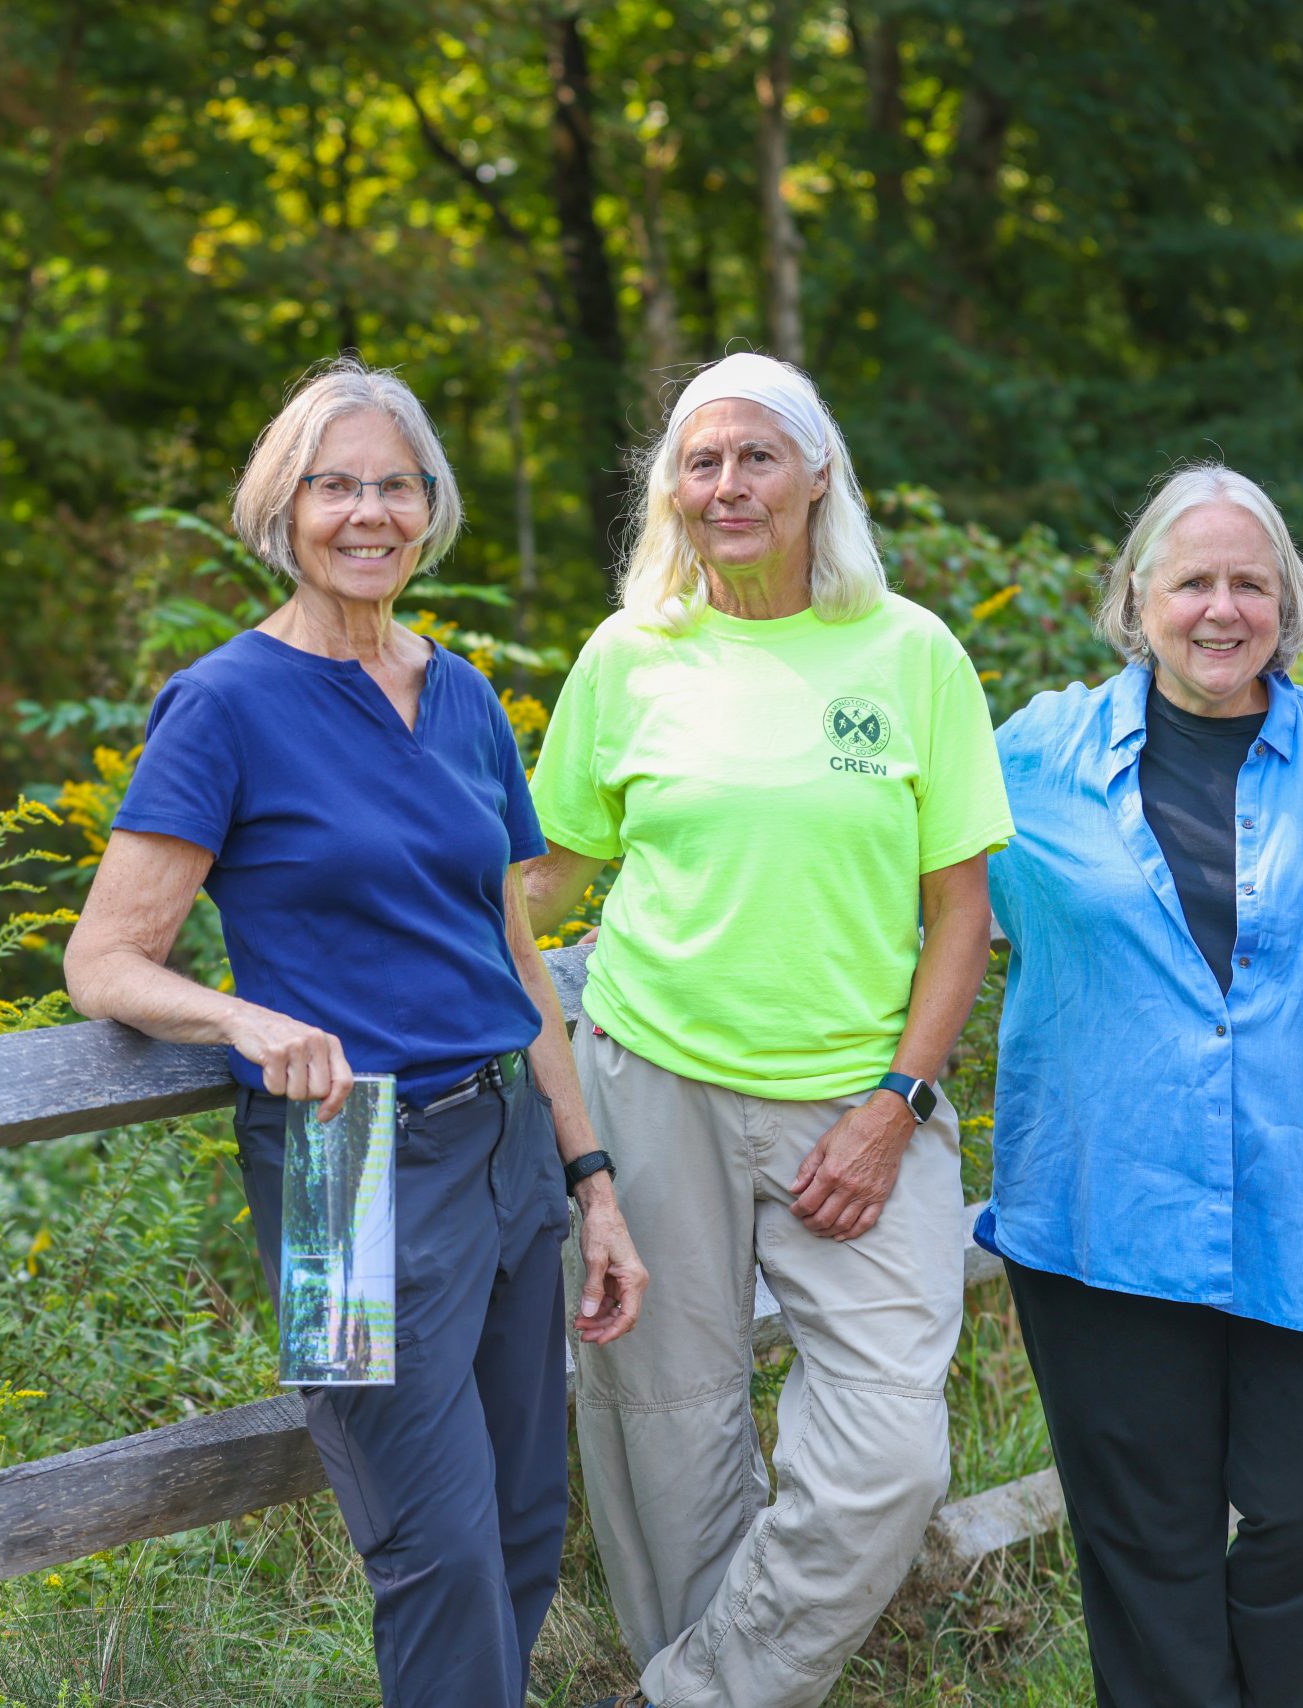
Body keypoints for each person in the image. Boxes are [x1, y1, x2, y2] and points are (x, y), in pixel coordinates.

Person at [63, 357, 648, 1708]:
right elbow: (103, 960)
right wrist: (241, 1015)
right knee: (430, 1550)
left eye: (396, 486)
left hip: (503, 1144)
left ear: (430, 506)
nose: (368, 513)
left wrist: (590, 1177)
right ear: (284, 509)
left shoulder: (463, 695)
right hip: (339, 1166)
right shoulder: (221, 704)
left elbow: (515, 951)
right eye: (336, 487)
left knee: (520, 1526)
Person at [523, 352, 1012, 1708]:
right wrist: (385, 917)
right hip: (647, 1084)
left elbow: (961, 914)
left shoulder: (911, 652)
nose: (727, 485)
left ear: (816, 477)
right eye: (702, 461)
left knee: (887, 1459)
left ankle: (684, 1696)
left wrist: (895, 1104)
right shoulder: (628, 656)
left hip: (859, 1104)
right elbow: (542, 877)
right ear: (671, 491)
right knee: (667, 1441)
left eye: (756, 457)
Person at [981, 462, 1303, 1708]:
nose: (1220, 609)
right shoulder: (1031, 756)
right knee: (1146, 1542)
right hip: (1105, 1204)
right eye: (1191, 581)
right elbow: (909, 888)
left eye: (1248, 583)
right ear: (1137, 599)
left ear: (1286, 602)